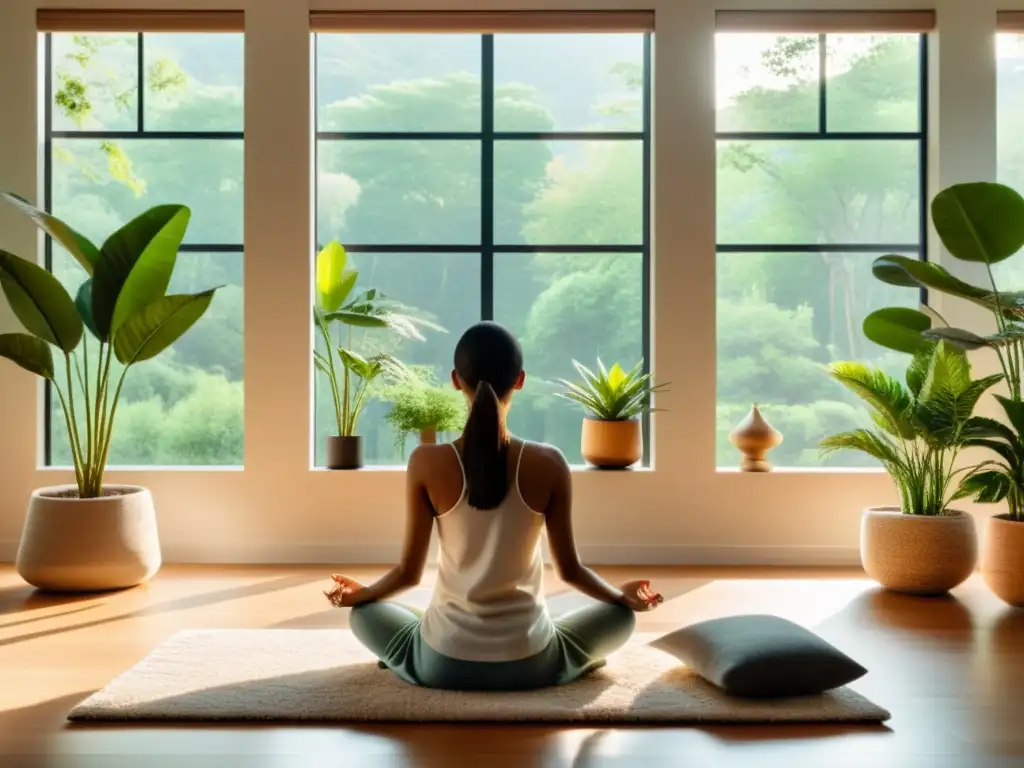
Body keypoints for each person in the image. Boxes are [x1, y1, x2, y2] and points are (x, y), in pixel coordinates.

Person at [325, 321, 663, 691]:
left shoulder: (425, 461)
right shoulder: (550, 462)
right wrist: (619, 596)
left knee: (364, 614)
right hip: (530, 662)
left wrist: (363, 595)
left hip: (443, 663)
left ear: (456, 380)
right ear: (519, 380)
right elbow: (570, 571)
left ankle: (411, 658)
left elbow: (408, 573)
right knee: (621, 618)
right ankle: (564, 664)